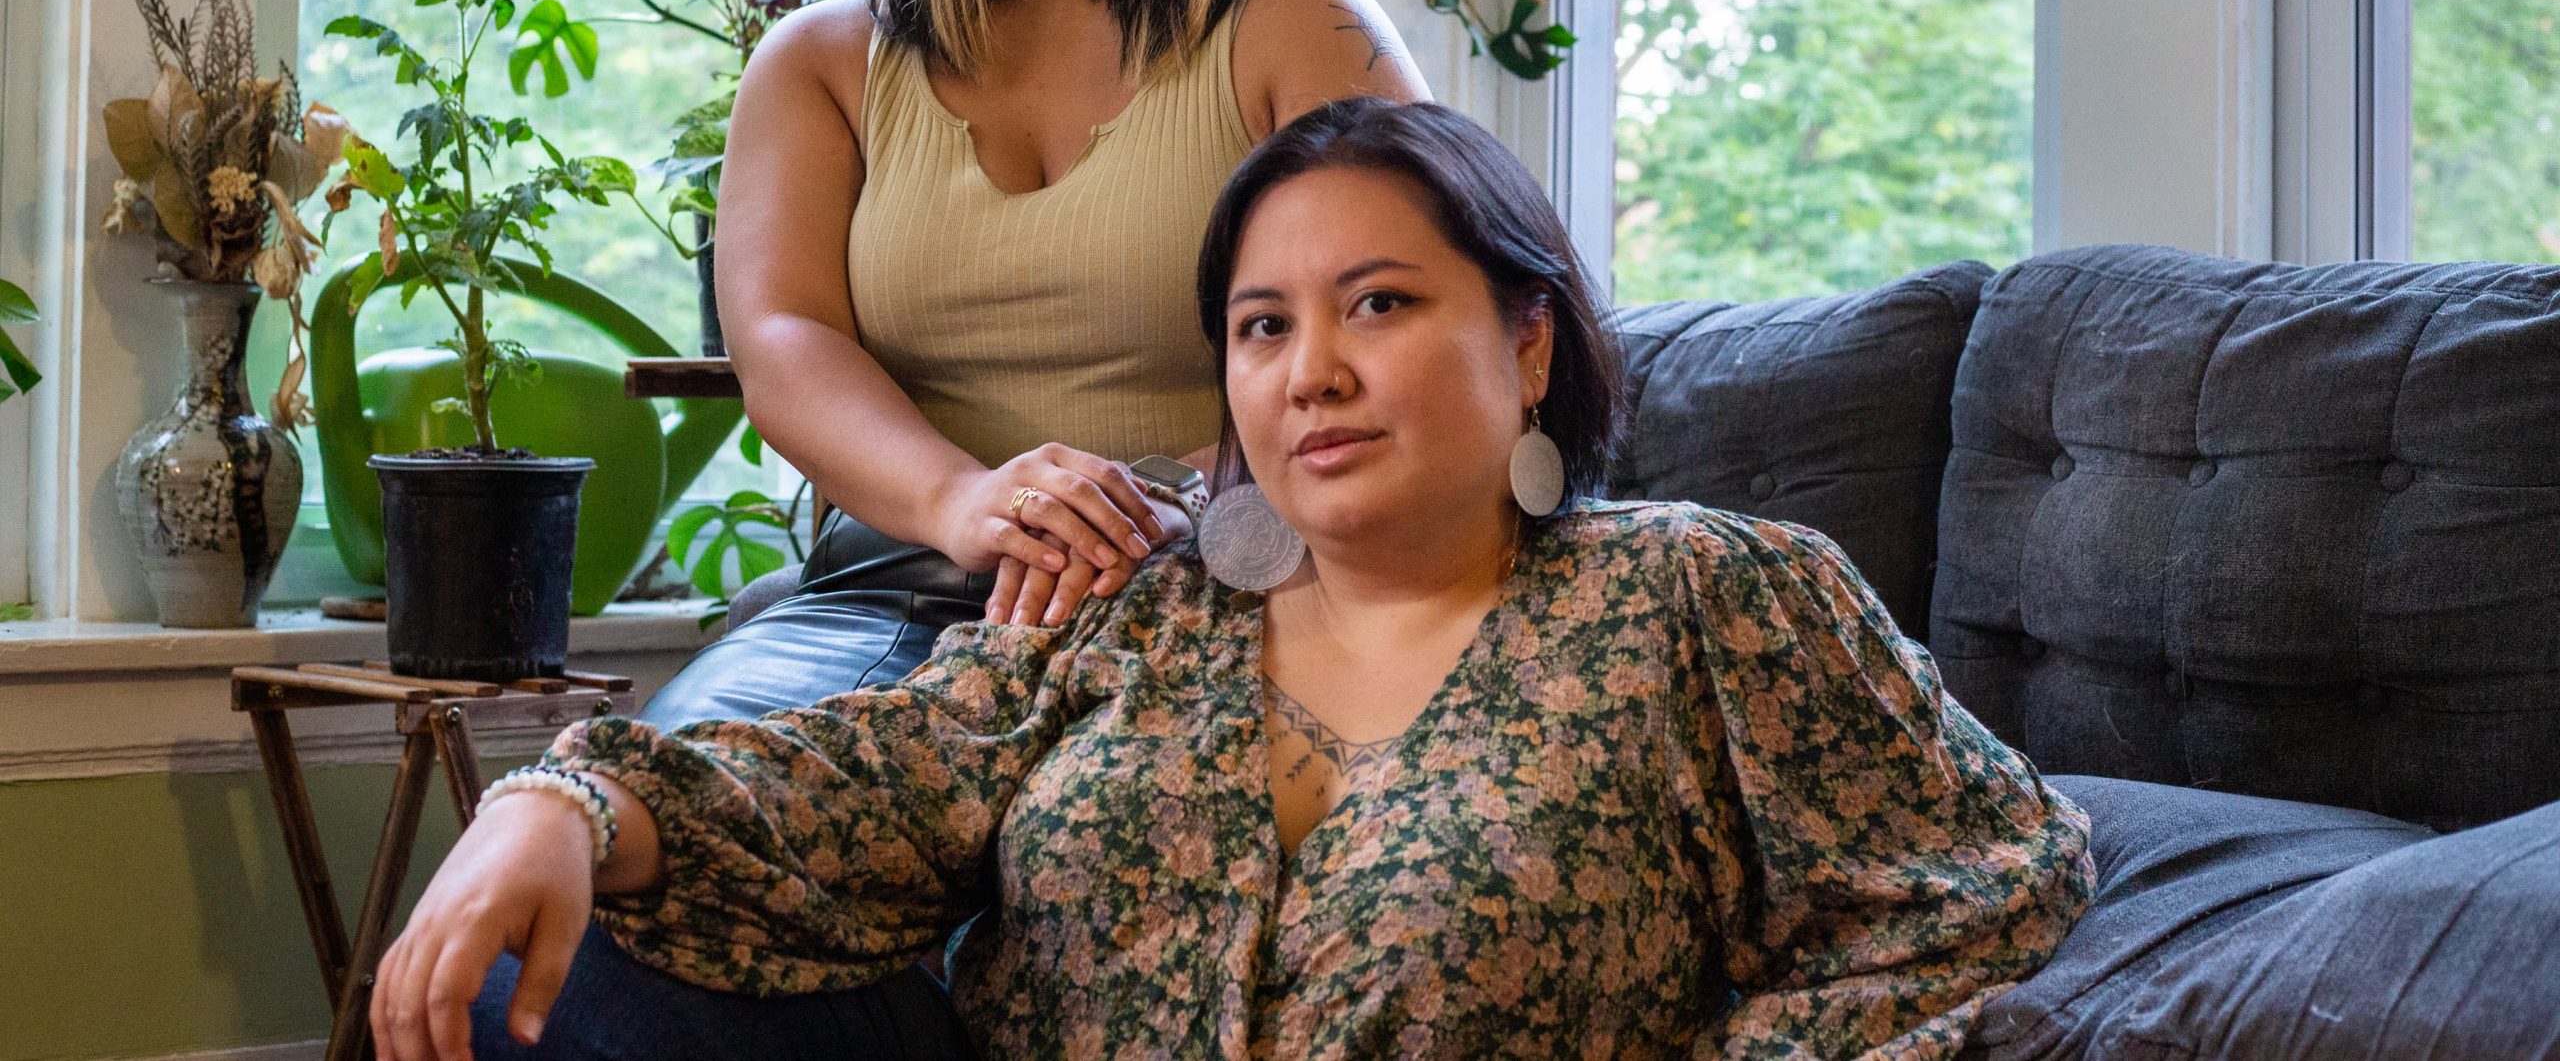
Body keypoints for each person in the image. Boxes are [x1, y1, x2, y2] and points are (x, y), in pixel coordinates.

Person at [386, 99, 2093, 1060]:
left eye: (1379, 304)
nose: (1310, 371)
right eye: (1262, 327)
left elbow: (1990, 883)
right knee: (553, 963)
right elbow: (885, 776)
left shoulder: (1712, 599)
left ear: (1527, 336)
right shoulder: (1141, 600)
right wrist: (572, 797)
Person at [643, 0, 1427, 728]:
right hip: (890, 596)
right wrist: (965, 503)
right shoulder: (817, 64)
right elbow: (783, 337)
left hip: (1225, 588)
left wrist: (1213, 520)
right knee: (651, 830)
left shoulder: (1293, 22)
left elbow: (1405, 315)